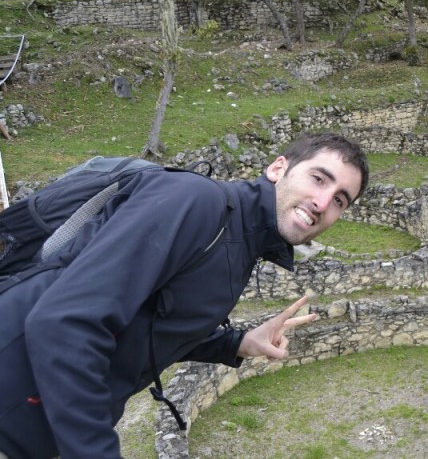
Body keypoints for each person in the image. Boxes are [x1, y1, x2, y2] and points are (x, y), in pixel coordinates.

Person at [0, 132, 369, 459]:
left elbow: (154, 319)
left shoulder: (242, 243)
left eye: (340, 200)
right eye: (318, 179)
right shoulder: (195, 201)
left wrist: (237, 343)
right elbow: (65, 323)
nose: (322, 203)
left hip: (33, 433)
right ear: (278, 169)